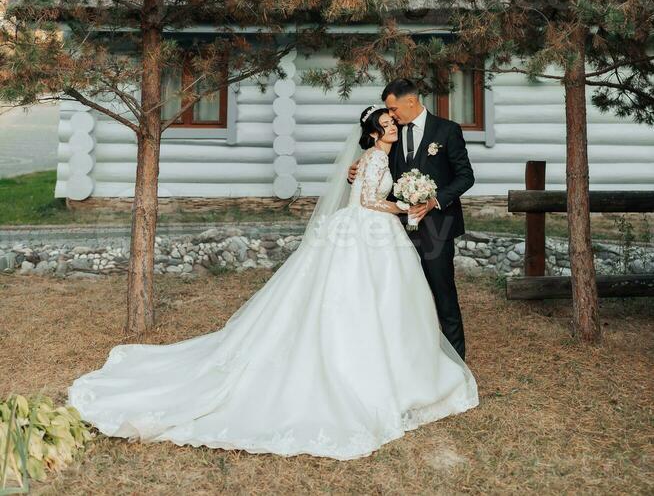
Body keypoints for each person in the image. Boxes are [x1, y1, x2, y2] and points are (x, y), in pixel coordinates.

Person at [67, 107, 478, 460]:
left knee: (377, 301)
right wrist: (405, 206)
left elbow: (373, 190)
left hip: (372, 232)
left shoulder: (380, 159)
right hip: (366, 230)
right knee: (352, 299)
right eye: (387, 123)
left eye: (394, 121)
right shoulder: (373, 159)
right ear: (373, 132)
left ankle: (389, 361)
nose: (393, 126)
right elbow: (369, 200)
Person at [348, 78, 475, 360]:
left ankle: (456, 361)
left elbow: (466, 176)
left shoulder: (447, 130)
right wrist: (355, 172)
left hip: (437, 228)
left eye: (393, 108)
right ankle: (410, 357)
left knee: (443, 294)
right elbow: (377, 171)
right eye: (388, 111)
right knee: (403, 296)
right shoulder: (392, 135)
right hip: (396, 230)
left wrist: (433, 200)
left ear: (411, 101)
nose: (391, 115)